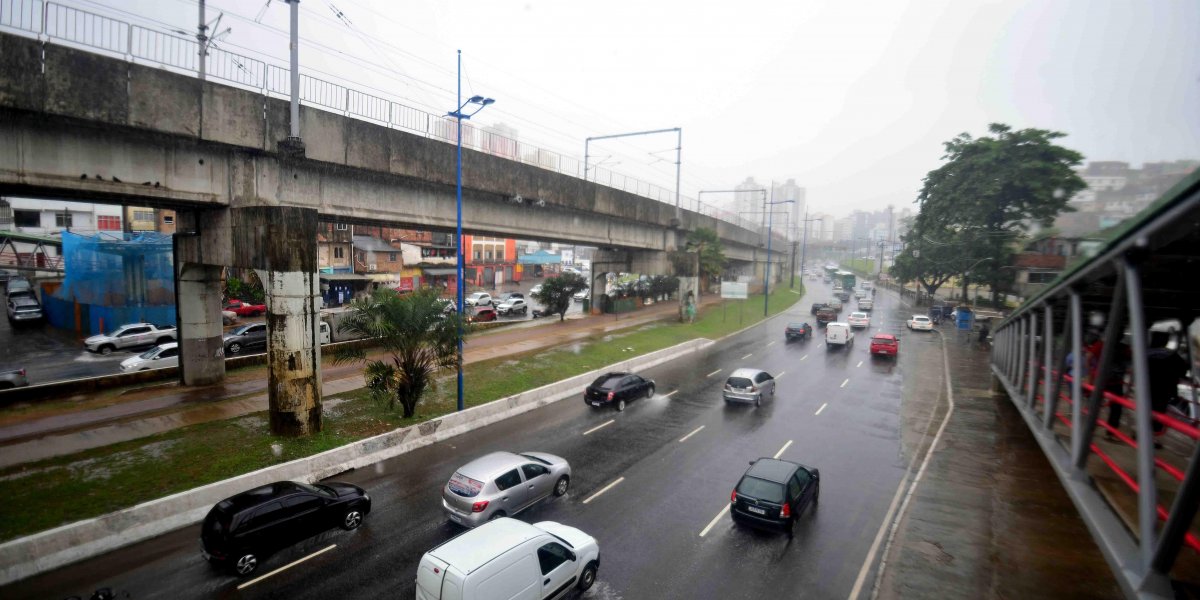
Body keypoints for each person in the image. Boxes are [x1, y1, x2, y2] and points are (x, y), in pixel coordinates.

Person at [1146, 330, 1188, 445]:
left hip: (1147, 388)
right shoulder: (1172, 356)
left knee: (1146, 410)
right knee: (1158, 413)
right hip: (1164, 390)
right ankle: (1152, 437)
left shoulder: (1146, 354)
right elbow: (1182, 370)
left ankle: (1141, 432)